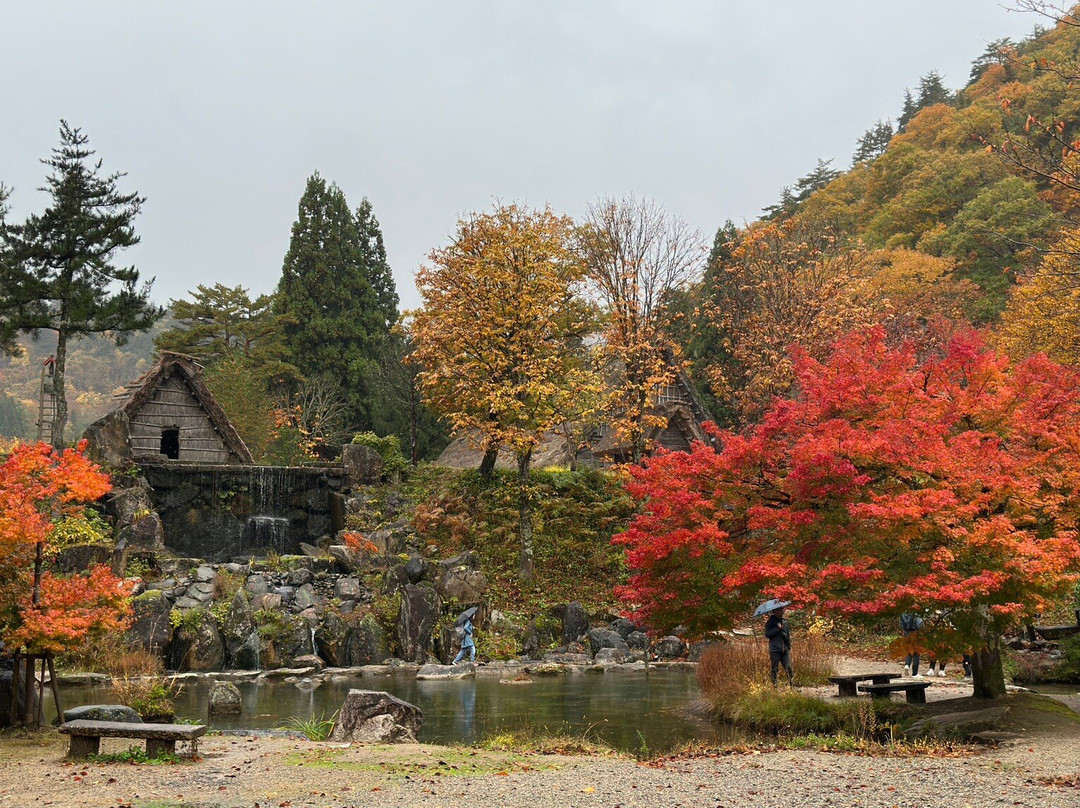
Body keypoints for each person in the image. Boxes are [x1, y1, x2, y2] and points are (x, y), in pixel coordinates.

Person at [764, 606, 794, 686]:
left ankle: (791, 684)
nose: (782, 611)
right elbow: (767, 634)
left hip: (785, 649)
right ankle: (774, 685)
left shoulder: (784, 622)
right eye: (780, 610)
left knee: (788, 668)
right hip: (775, 649)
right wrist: (778, 629)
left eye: (782, 609)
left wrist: (788, 645)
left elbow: (787, 634)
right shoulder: (770, 622)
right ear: (775, 611)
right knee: (775, 668)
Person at [900, 611, 924, 677]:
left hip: (906, 634)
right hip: (915, 634)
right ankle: (915, 673)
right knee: (916, 653)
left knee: (909, 651)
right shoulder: (915, 613)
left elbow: (901, 625)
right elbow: (919, 624)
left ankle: (907, 665)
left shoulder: (903, 614)